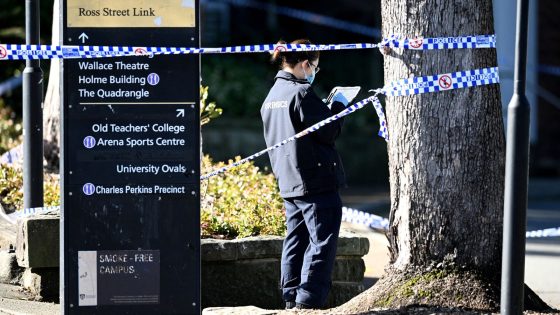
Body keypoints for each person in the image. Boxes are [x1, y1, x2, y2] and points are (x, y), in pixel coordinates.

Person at [260, 39, 350, 310]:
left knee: (295, 240)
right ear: (304, 64)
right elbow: (328, 131)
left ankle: (290, 297)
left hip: (289, 181)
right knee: (322, 241)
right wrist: (338, 107)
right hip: (315, 180)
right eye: (315, 67)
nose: (314, 73)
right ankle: (308, 300)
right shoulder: (299, 93)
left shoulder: (272, 95)